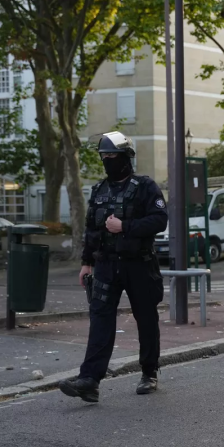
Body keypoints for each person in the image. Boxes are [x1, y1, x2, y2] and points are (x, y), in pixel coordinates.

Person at [60, 132, 167, 403]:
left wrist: (125, 226)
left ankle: (149, 372)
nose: (108, 160)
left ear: (126, 157)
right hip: (106, 265)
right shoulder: (99, 190)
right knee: (100, 319)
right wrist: (86, 263)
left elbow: (159, 220)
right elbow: (91, 229)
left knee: (146, 319)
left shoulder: (145, 187)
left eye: (112, 155)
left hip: (139, 264)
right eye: (104, 156)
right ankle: (90, 380)